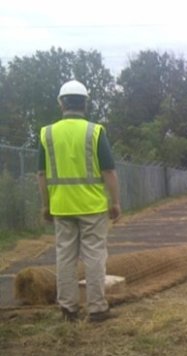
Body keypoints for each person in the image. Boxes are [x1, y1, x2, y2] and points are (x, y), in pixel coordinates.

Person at [37, 79, 121, 322]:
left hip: (61, 207)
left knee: (65, 256)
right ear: (85, 103)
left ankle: (68, 309)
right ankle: (97, 309)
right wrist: (115, 202)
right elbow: (109, 172)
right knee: (94, 256)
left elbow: (41, 174)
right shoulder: (95, 132)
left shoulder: (47, 134)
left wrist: (46, 205)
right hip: (92, 207)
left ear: (61, 103)